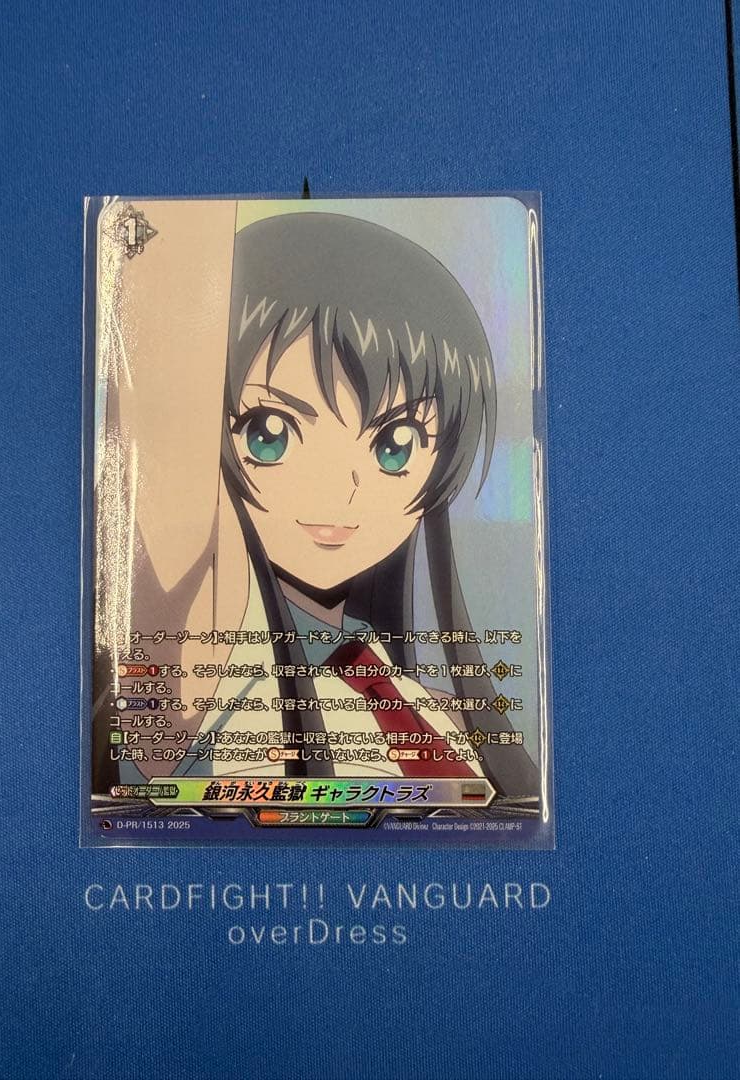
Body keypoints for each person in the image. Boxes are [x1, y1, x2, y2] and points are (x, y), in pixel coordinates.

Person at [95, 205, 538, 798]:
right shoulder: (208, 656)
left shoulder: (424, 703)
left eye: (395, 445)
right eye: (269, 433)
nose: (340, 488)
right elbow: (158, 305)